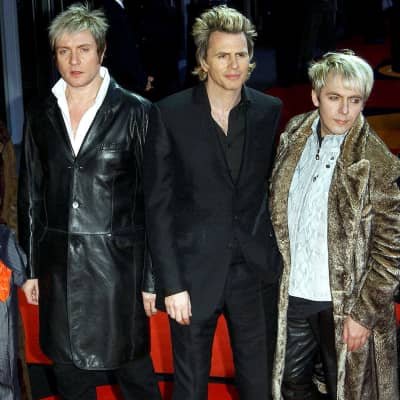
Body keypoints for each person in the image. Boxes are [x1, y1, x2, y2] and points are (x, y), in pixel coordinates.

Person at [17, 4, 162, 400]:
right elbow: (30, 194)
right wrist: (32, 269)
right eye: (64, 51)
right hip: (58, 269)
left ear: (101, 51)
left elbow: (155, 201)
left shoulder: (136, 111)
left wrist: (152, 279)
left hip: (118, 270)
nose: (74, 60)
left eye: (83, 49)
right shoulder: (40, 113)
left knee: (135, 373)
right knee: (69, 374)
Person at [143, 5, 282, 400]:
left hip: (254, 273)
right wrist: (170, 284)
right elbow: (158, 206)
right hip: (192, 275)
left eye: (241, 54)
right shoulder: (169, 114)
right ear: (204, 60)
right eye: (223, 55)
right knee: (190, 389)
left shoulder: (268, 111)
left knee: (259, 387)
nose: (234, 65)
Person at [269, 49, 400, 399]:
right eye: (334, 98)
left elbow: (391, 252)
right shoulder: (293, 135)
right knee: (289, 383)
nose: (344, 110)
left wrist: (364, 314)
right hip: (294, 292)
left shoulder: (376, 162)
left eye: (354, 100)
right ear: (316, 96)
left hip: (344, 305)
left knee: (346, 391)